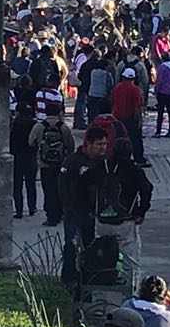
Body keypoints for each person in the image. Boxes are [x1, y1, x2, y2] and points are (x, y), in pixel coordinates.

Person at [58, 126, 111, 291]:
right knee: (71, 246)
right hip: (74, 212)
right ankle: (68, 280)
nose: (102, 148)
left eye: (104, 144)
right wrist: (68, 207)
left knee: (91, 248)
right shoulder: (73, 161)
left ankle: (88, 280)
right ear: (88, 144)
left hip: (95, 214)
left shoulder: (105, 162)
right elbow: (62, 186)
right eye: (99, 144)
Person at [31, 100, 76, 227]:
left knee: (48, 190)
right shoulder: (63, 127)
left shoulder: (39, 126)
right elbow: (70, 145)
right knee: (60, 189)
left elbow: (30, 141)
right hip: (60, 164)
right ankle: (60, 212)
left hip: (45, 165)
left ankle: (51, 216)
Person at [109, 67, 147, 166]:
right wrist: (140, 119)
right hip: (131, 117)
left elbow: (112, 102)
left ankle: (119, 158)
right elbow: (138, 106)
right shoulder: (136, 90)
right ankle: (139, 159)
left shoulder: (116, 88)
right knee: (136, 139)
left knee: (118, 138)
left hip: (117, 117)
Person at [154, 51, 170, 137]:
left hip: (163, 91)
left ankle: (158, 132)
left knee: (160, 112)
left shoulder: (162, 67)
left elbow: (159, 80)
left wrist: (156, 90)